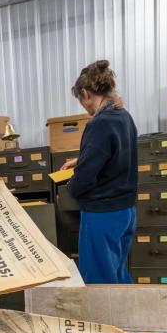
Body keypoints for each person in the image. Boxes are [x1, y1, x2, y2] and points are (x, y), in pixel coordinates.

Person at [61, 60, 138, 284]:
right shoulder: (123, 116)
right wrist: (81, 159)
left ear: (85, 93)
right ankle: (125, 319)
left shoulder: (99, 124)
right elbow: (118, 152)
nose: (84, 107)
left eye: (81, 101)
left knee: (99, 282)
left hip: (102, 213)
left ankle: (106, 320)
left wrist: (71, 188)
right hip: (126, 211)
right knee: (118, 272)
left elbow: (84, 177)